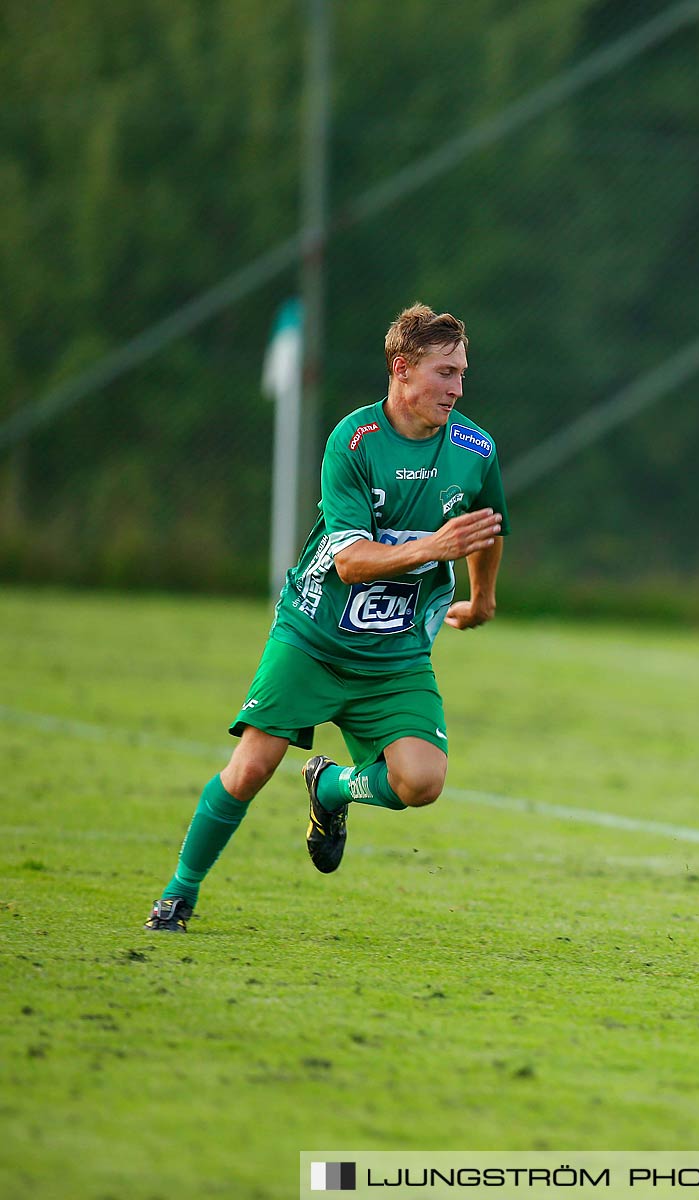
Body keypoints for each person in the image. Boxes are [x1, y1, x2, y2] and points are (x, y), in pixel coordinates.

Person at [143, 303, 508, 932]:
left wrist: (483, 598)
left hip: (394, 656)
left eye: (462, 373)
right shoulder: (354, 442)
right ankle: (179, 893)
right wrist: (431, 548)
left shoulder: (475, 449)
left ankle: (331, 789)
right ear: (402, 369)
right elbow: (349, 563)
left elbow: (488, 527)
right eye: (444, 372)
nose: (457, 387)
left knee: (422, 781)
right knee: (252, 768)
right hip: (314, 638)